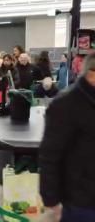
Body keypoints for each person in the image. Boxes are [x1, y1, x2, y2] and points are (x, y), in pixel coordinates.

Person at [39, 53, 95, 222]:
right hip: (80, 200)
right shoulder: (65, 104)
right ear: (92, 74)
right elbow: (49, 155)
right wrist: (51, 199)